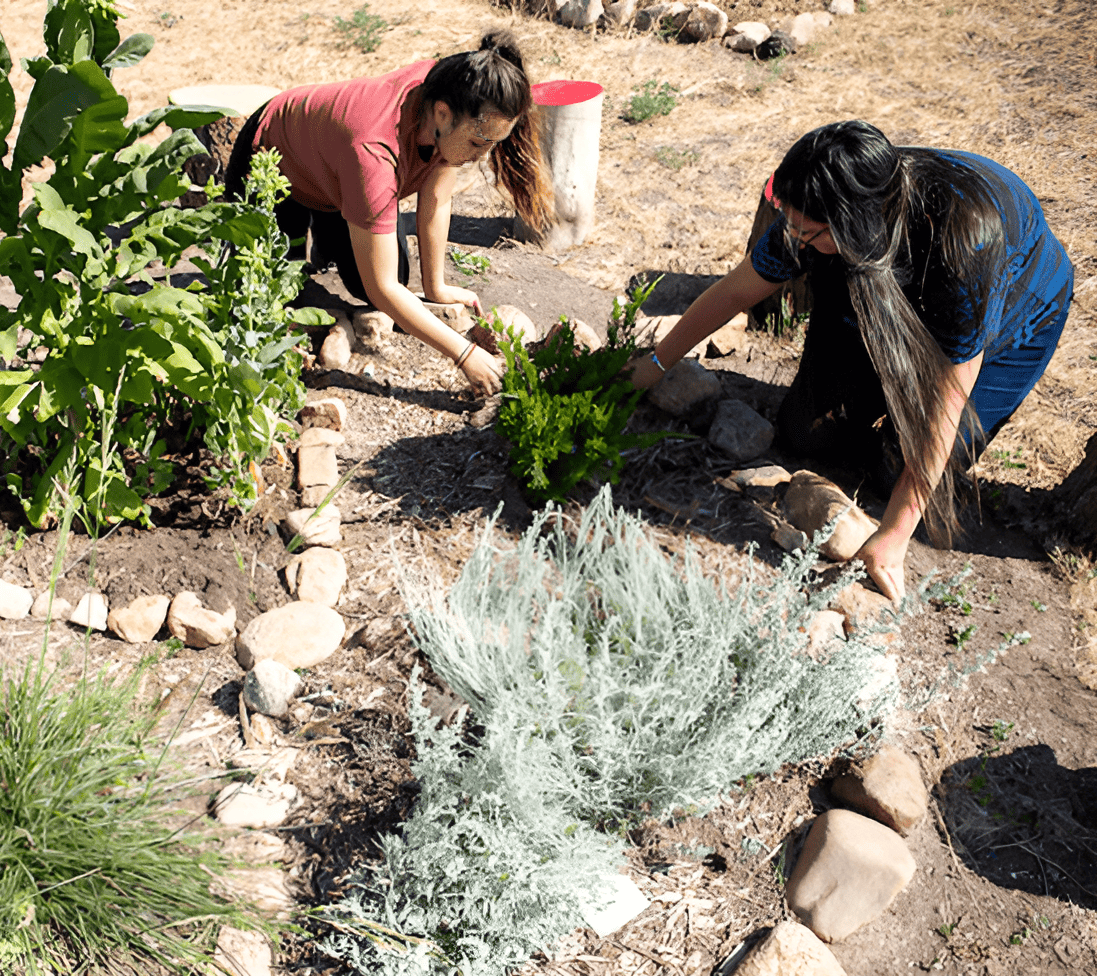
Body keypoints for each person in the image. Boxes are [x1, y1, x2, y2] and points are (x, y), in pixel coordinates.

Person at [628, 120, 1073, 601]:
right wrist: (653, 365)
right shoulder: (827, 201)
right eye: (792, 226)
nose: (796, 241)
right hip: (880, 278)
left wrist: (894, 537)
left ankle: (893, 431)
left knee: (895, 471)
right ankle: (880, 400)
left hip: (1018, 313)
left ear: (856, 221)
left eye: (809, 233)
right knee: (808, 434)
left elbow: (949, 394)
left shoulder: (964, 241)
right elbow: (738, 288)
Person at [223, 32, 553, 396]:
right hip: (272, 160)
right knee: (265, 298)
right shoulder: (374, 152)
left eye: (493, 144)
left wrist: (436, 287)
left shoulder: (452, 92)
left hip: (335, 179)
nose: (482, 155)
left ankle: (330, 231)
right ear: (442, 113)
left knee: (392, 275)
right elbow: (384, 291)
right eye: (479, 143)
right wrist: (463, 354)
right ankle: (311, 236)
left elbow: (437, 198)